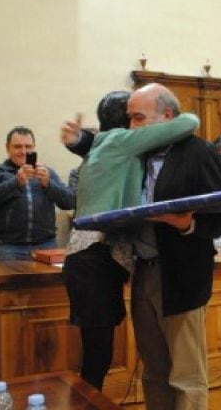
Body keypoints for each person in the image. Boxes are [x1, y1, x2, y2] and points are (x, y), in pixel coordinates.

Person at [60, 90, 200, 391]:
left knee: (96, 354)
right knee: (97, 358)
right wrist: (163, 116)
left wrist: (79, 138)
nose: (138, 123)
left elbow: (89, 141)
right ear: (126, 120)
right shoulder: (123, 141)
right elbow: (189, 121)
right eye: (134, 116)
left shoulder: (102, 143)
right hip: (96, 257)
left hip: (88, 258)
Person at [127, 83, 221, 410]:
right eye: (129, 118)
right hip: (143, 273)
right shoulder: (136, 156)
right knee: (154, 371)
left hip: (182, 277)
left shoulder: (199, 153)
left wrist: (186, 224)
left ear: (168, 116)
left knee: (187, 375)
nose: (131, 126)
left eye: (138, 118)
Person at [0, 126, 75, 260]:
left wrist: (48, 184)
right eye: (17, 147)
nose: (23, 151)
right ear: (7, 148)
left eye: (28, 147)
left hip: (46, 245)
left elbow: (70, 202)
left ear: (34, 147)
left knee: (49, 282)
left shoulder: (47, 173)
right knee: (10, 282)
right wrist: (16, 182)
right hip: (9, 248)